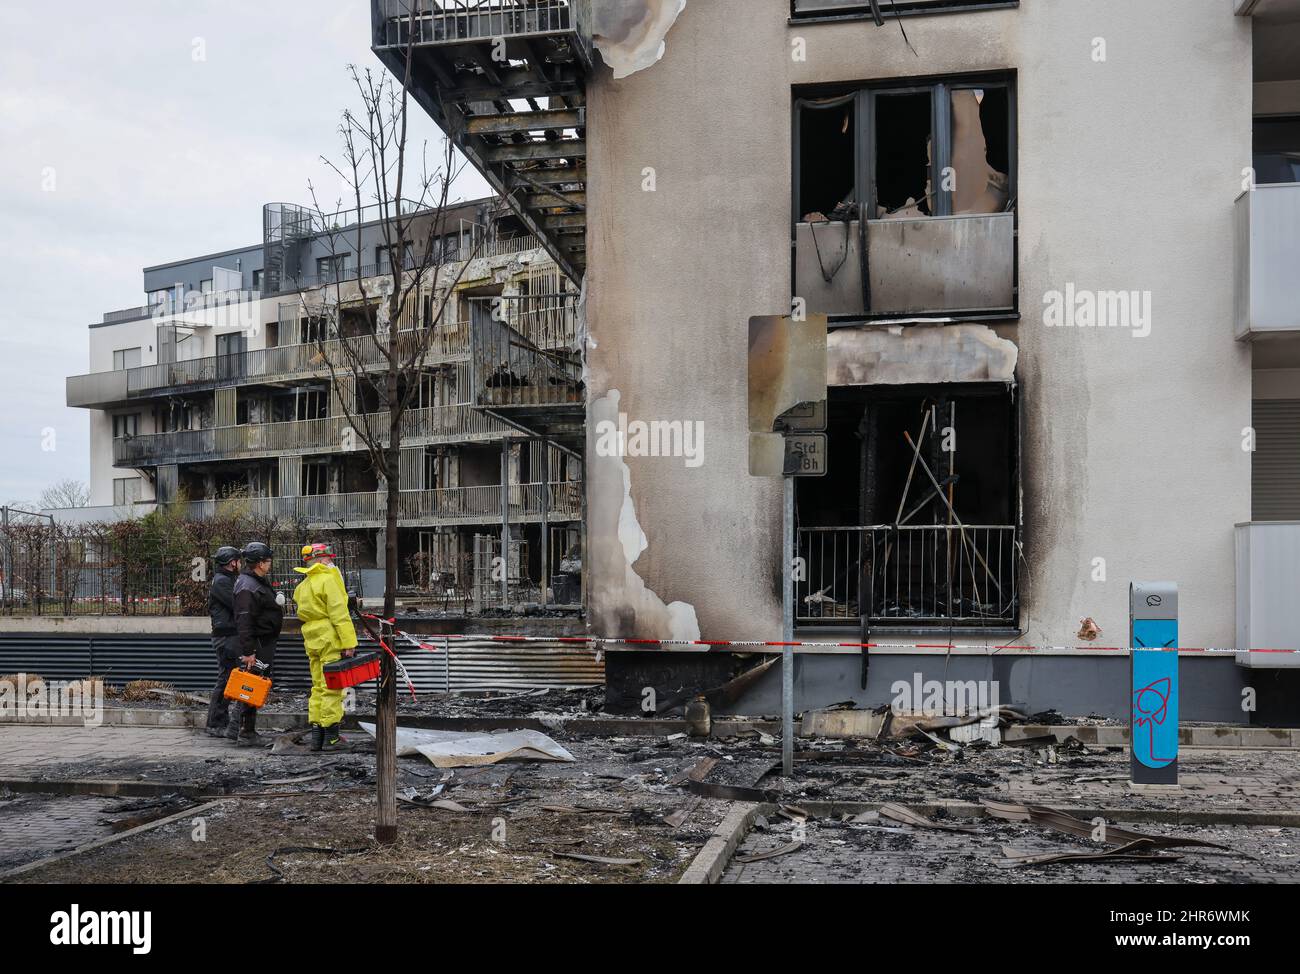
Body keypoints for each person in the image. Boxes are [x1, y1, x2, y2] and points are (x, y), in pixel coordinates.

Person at [293, 542, 358, 751]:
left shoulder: (302, 587)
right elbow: (340, 614)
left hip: (312, 640)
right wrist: (349, 642)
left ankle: (317, 737)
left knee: (318, 687)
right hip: (330, 639)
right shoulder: (328, 580)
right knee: (333, 687)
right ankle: (331, 738)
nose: (332, 562)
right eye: (329, 558)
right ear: (323, 559)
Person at [226, 541, 284, 746]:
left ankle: (239, 731)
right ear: (260, 563)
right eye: (268, 561)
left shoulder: (254, 581)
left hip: (262, 642)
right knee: (250, 686)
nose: (270, 564)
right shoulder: (248, 586)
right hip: (257, 645)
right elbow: (244, 620)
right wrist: (249, 651)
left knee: (252, 685)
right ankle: (245, 732)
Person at [203, 546, 242, 737]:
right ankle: (215, 723)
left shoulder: (226, 579)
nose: (240, 563)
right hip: (225, 637)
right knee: (225, 678)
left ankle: (220, 721)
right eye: (237, 560)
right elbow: (237, 603)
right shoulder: (222, 581)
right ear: (231, 562)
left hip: (228, 635)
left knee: (228, 678)